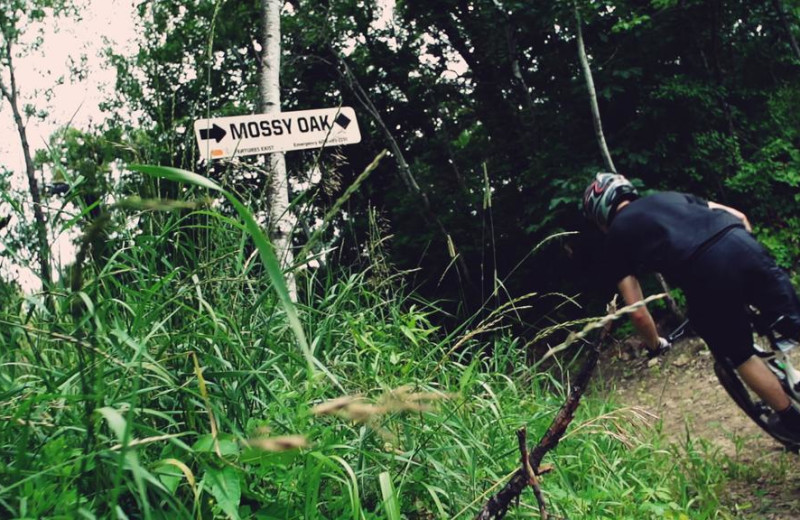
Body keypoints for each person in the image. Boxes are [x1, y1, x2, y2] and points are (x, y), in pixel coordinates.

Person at [583, 172, 800, 442]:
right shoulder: (669, 197)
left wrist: (654, 345)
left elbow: (637, 312)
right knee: (794, 323)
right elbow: (740, 217)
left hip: (705, 273)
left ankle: (792, 421)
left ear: (600, 214)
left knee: (739, 353)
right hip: (741, 243)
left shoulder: (616, 238)